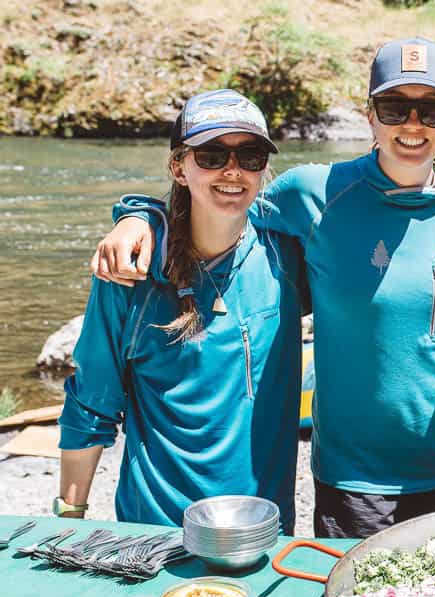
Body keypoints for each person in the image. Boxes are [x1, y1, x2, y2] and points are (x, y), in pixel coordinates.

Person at [91, 39, 435, 538]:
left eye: (431, 108)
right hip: (353, 479)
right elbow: (218, 202)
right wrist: (139, 215)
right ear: (369, 115)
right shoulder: (313, 193)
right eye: (394, 107)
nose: (413, 125)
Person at [57, 90, 306, 533]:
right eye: (211, 155)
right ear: (178, 166)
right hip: (153, 532)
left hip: (263, 530)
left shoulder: (285, 255)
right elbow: (91, 403)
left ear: (264, 168)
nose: (233, 170)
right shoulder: (132, 271)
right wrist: (69, 517)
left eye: (250, 156)